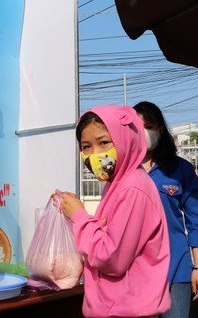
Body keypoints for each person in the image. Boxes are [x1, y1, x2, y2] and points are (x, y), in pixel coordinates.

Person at [53, 105, 171, 317]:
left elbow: (112, 258)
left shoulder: (133, 187)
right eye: (86, 146)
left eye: (104, 143)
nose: (94, 154)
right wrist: (73, 210)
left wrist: (79, 216)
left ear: (125, 139)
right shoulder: (117, 183)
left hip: (126, 311)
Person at [133, 101, 198, 318]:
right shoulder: (123, 171)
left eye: (150, 126)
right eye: (138, 127)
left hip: (176, 271)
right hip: (135, 273)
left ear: (160, 129)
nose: (145, 132)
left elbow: (196, 221)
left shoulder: (180, 169)